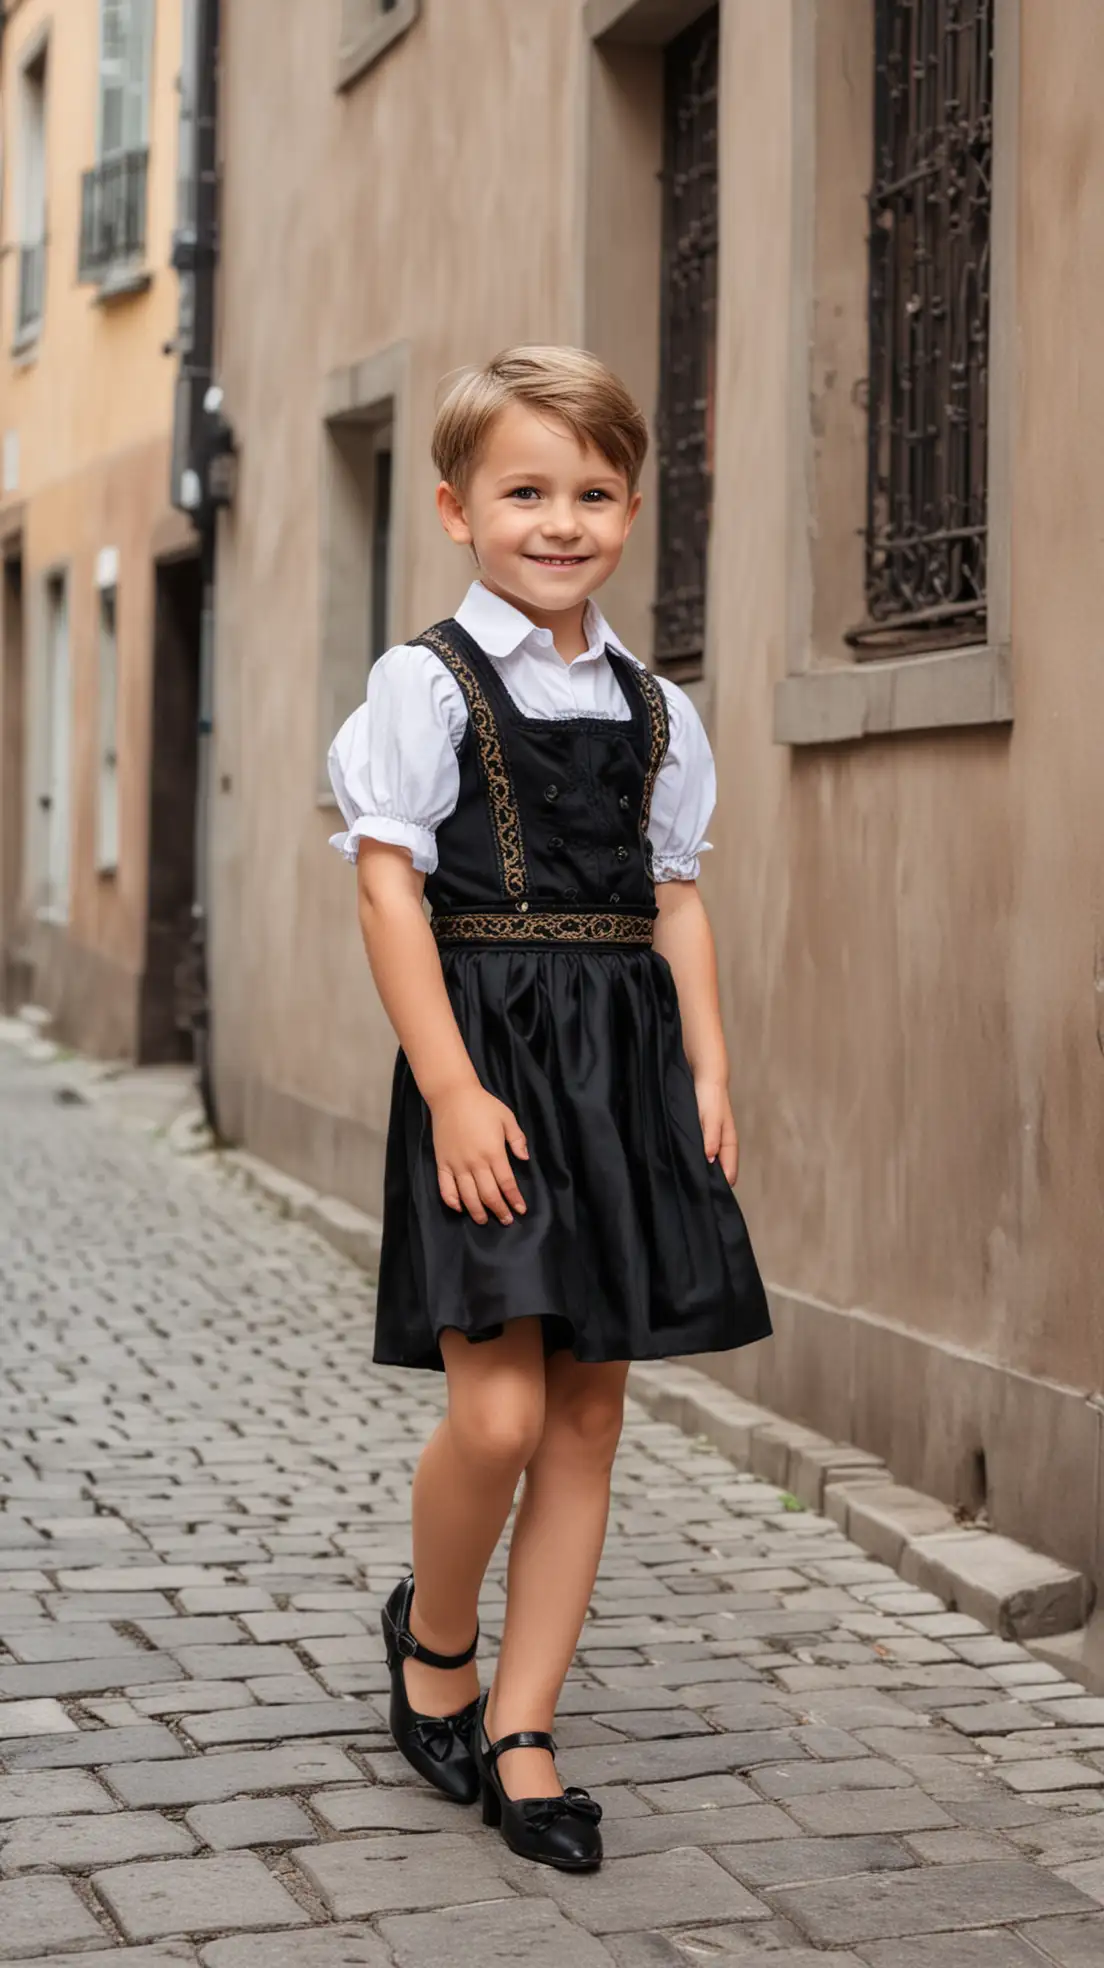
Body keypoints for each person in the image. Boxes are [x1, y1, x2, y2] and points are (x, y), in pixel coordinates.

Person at [328, 346, 771, 1873]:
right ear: (457, 508)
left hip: (624, 1073)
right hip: (493, 1066)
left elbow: (678, 896)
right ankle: (433, 1642)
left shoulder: (657, 708)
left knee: (587, 1410)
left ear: (633, 507)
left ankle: (526, 1728)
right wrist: (450, 1086)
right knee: (498, 1411)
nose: (562, 519)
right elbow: (389, 887)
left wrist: (708, 1070)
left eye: (593, 492)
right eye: (527, 491)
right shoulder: (426, 684)